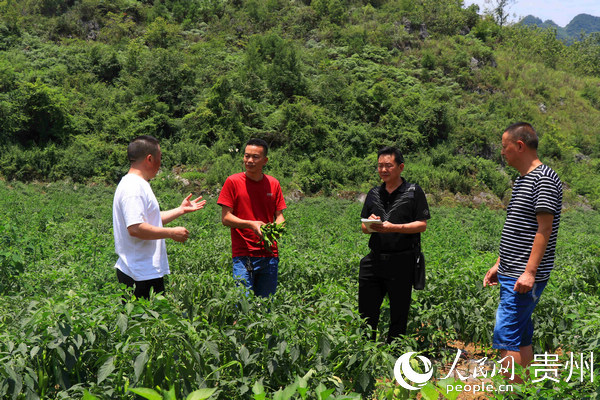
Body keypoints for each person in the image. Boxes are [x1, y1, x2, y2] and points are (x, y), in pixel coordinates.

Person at [483, 122, 562, 382]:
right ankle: (526, 390)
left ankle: (513, 392)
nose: (503, 153)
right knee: (520, 335)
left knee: (506, 337)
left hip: (521, 277)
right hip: (512, 271)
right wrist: (499, 263)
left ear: (519, 146)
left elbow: (544, 229)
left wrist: (529, 272)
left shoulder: (544, 179)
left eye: (505, 148)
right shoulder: (523, 180)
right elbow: (518, 228)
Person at [113, 135, 206, 299]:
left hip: (145, 271)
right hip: (138, 274)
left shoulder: (139, 184)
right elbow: (135, 228)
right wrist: (171, 233)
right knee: (143, 322)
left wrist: (181, 210)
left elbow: (149, 221)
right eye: (160, 158)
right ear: (150, 158)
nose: (160, 163)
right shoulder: (133, 188)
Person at [360, 146, 430, 343]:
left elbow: (422, 225)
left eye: (388, 166)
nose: (383, 170)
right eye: (380, 166)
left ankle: (394, 353)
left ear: (400, 167)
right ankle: (366, 352)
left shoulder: (413, 191)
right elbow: (364, 228)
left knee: (399, 312)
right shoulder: (373, 193)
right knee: (366, 311)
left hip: (402, 260)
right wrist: (371, 223)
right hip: (374, 259)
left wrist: (395, 227)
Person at [217, 138, 286, 297]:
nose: (249, 160)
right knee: (243, 305)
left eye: (255, 157)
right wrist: (252, 225)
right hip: (243, 255)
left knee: (265, 306)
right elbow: (226, 218)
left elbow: (280, 216)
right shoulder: (233, 182)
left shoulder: (273, 183)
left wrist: (275, 229)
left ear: (265, 160)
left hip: (269, 255)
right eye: (247, 156)